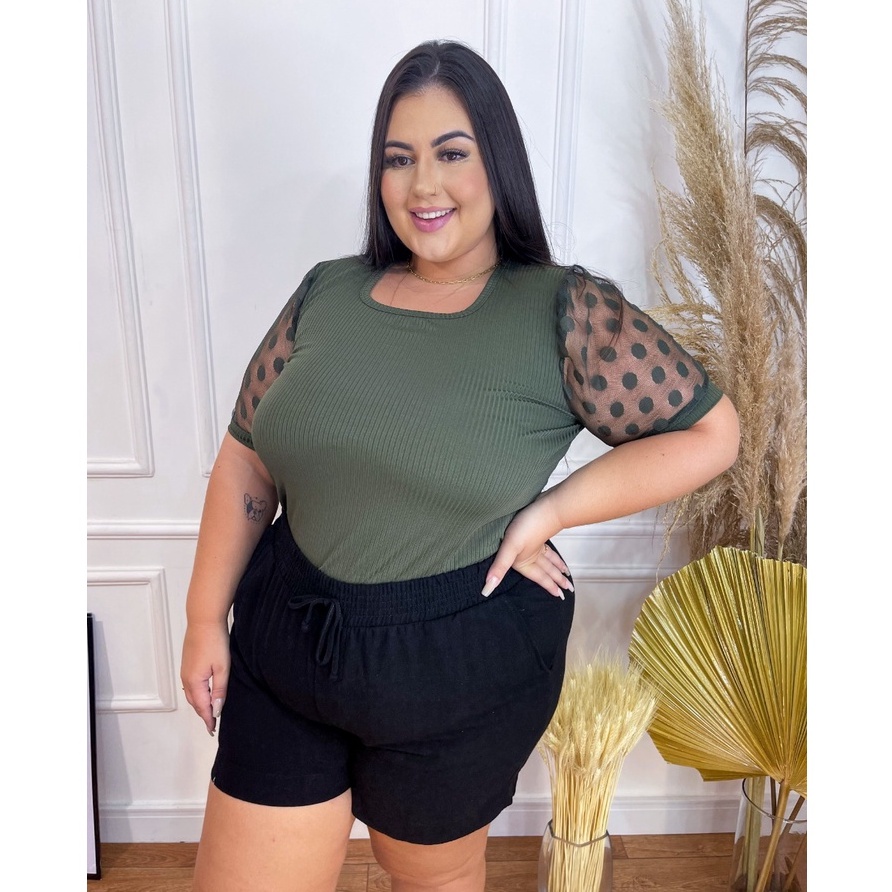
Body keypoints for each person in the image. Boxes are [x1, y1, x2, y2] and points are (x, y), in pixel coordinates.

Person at [180, 39, 739, 892]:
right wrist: (201, 617)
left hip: (454, 671)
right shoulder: (326, 292)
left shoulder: (562, 311)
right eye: (397, 159)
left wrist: (549, 512)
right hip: (286, 637)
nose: (422, 186)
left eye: (451, 153)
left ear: (497, 163)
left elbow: (710, 434)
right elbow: (247, 461)